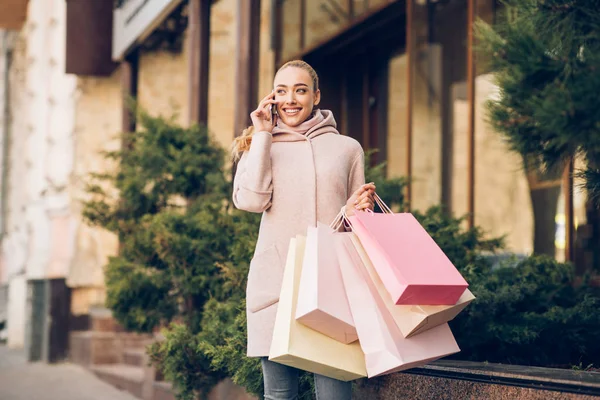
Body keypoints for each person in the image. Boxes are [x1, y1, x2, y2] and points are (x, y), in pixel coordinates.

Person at [231, 60, 375, 400]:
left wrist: (355, 210)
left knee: (334, 395)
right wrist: (263, 134)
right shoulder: (258, 146)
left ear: (316, 96)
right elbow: (251, 201)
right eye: (282, 91)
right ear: (272, 97)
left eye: (300, 90)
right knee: (280, 396)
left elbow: (357, 225)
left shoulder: (347, 148)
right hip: (275, 288)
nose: (290, 99)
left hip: (331, 287)